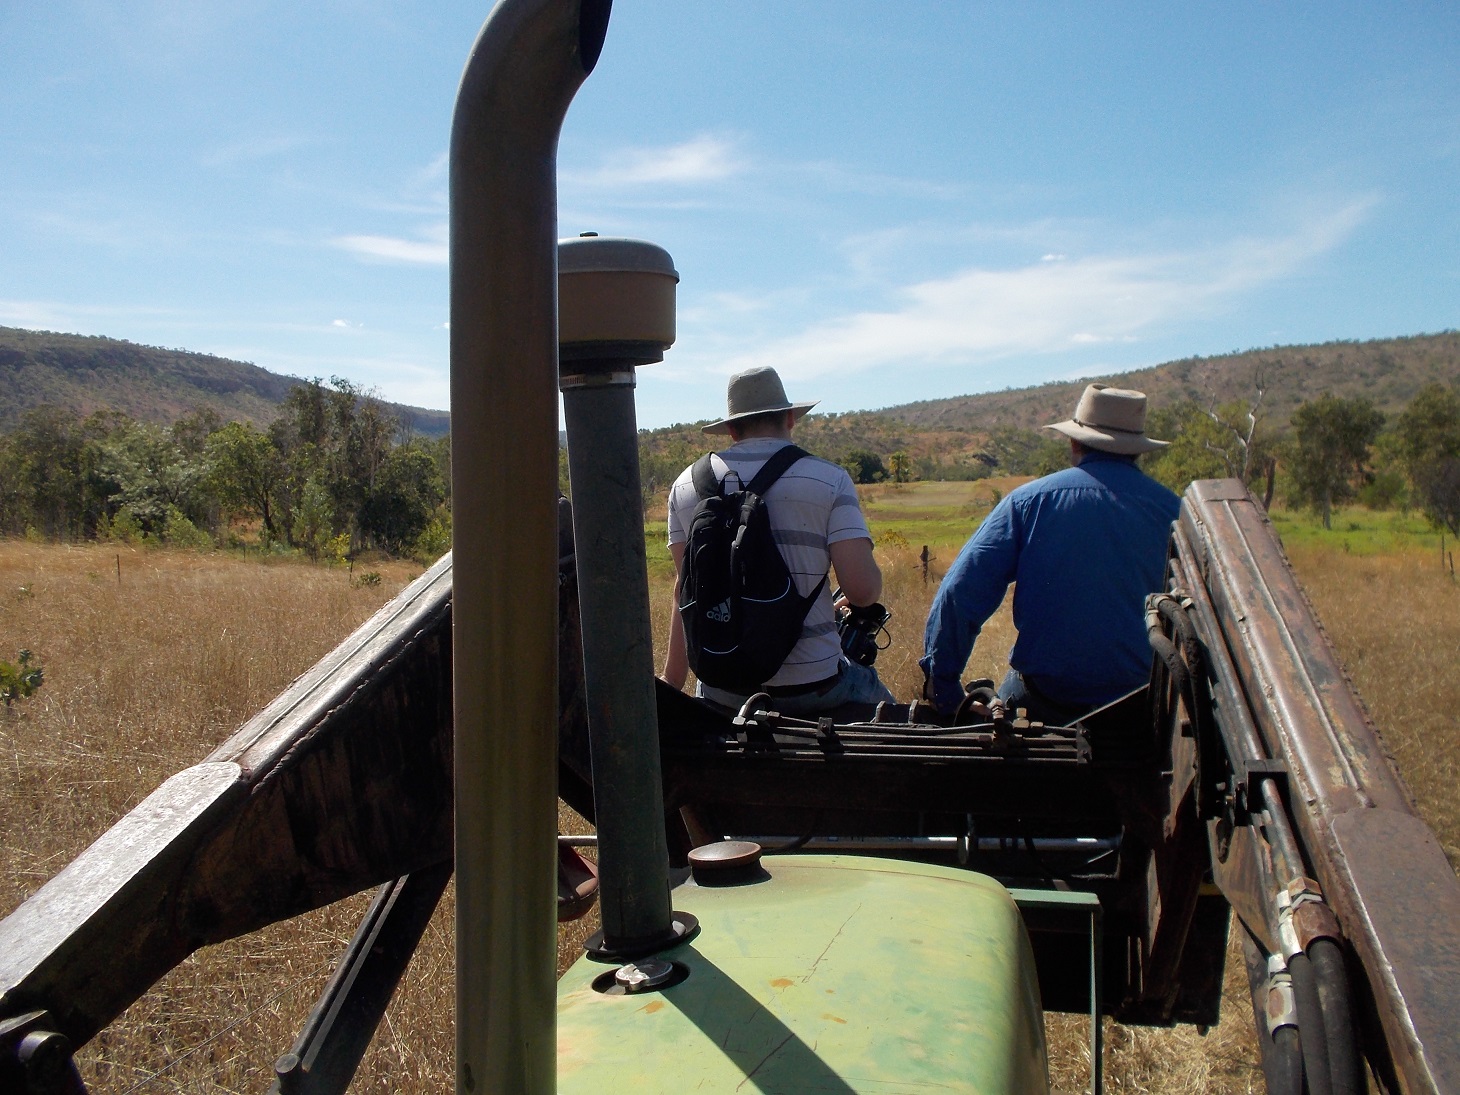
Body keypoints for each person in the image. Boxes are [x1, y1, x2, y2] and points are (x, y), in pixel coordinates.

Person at [920, 384, 1180, 723]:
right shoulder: (1176, 512)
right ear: (1137, 450)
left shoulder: (1028, 502)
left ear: (1074, 441)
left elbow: (960, 593)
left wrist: (943, 686)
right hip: (1144, 704)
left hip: (1045, 700)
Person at [662, 366, 894, 714]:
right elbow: (862, 591)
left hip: (722, 688)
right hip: (813, 684)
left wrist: (672, 683)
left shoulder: (684, 487)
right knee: (888, 707)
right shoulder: (830, 479)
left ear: (730, 428)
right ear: (790, 418)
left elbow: (689, 590)